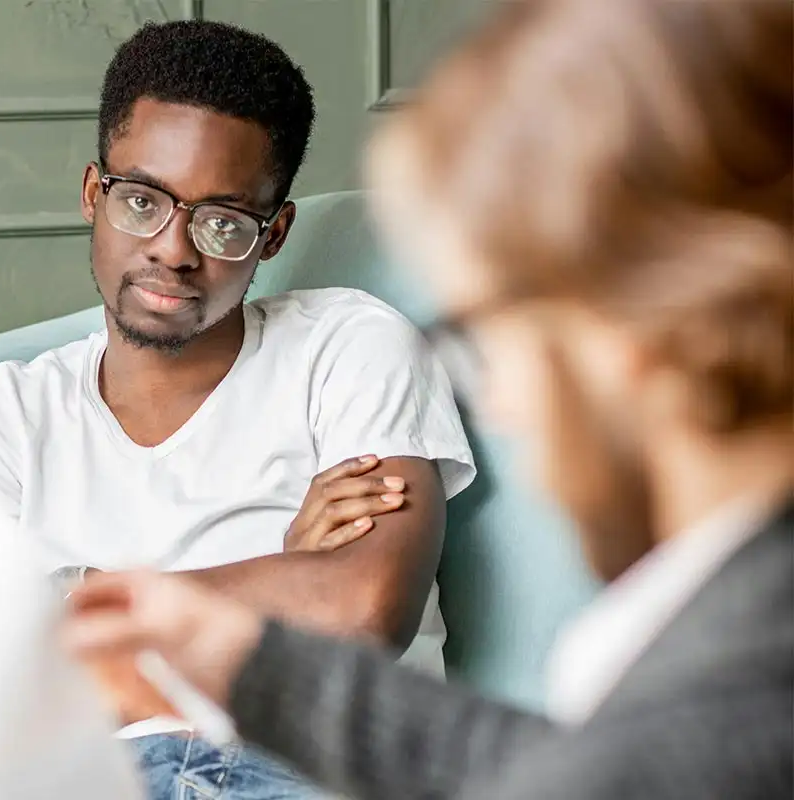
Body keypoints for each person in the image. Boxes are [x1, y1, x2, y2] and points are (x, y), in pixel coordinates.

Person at [62, 1, 794, 799]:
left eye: (492, 336)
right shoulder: (731, 636)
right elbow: (555, 770)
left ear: (634, 340)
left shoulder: (727, 704)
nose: (505, 404)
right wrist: (239, 655)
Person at [0, 19, 475, 800]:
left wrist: (85, 603)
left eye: (221, 222)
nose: (174, 249)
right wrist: (292, 573)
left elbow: (365, 608)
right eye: (142, 200)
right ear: (91, 195)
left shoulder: (350, 347)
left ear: (273, 235)